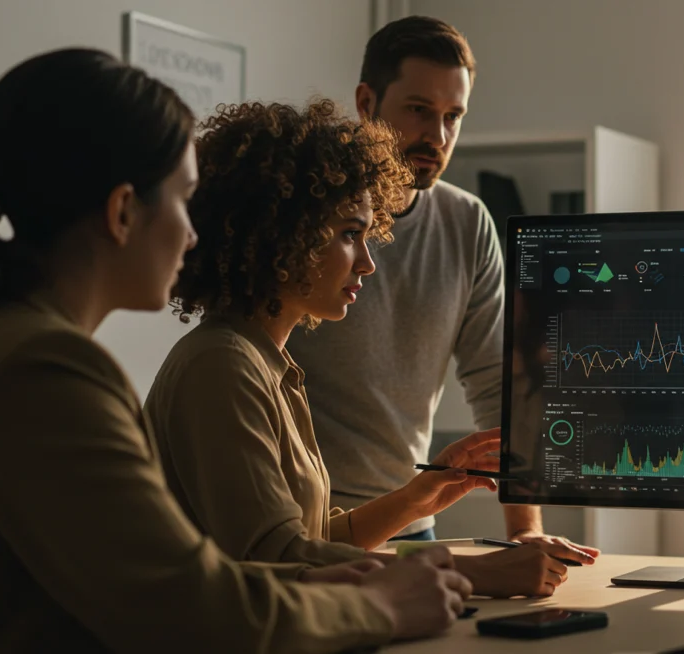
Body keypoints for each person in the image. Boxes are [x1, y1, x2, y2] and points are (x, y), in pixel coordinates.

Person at [0, 48, 472, 653]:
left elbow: (203, 580)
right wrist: (385, 603)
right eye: (184, 200)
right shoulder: (47, 369)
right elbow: (190, 602)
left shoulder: (20, 344)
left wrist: (387, 567)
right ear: (123, 211)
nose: (194, 231)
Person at [145, 99, 569, 598]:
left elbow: (314, 538)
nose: (368, 263)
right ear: (282, 234)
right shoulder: (222, 367)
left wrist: (416, 499)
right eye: (350, 235)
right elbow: (280, 561)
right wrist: (475, 574)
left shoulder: (265, 362)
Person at [285, 15, 599, 562]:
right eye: (418, 111)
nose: (438, 136)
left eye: (453, 116)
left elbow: (497, 385)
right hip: (309, 526)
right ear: (366, 102)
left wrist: (523, 530)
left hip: (410, 520)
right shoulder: (308, 215)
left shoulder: (467, 221)